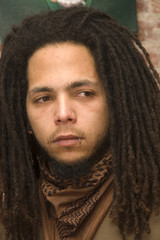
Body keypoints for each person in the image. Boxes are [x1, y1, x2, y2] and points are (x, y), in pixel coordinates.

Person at [0, 6, 160, 240]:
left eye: (84, 93)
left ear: (115, 103)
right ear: (23, 116)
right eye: (43, 98)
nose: (63, 114)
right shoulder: (13, 215)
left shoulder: (151, 210)